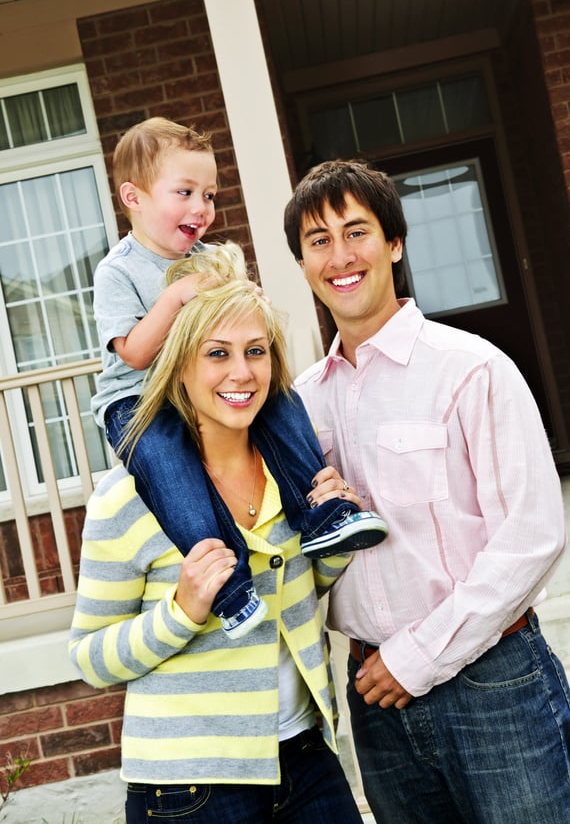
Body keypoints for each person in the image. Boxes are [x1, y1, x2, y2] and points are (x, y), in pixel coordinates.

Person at [283, 158, 570, 824]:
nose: (340, 256)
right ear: (302, 261)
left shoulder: (470, 369)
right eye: (318, 241)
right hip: (377, 703)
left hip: (493, 686)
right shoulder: (300, 403)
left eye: (356, 231)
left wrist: (415, 657)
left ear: (394, 243)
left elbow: (533, 537)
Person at [70, 243, 365, 824]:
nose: (242, 373)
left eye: (256, 352)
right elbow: (90, 658)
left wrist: (334, 534)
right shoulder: (127, 498)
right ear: (181, 363)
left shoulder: (292, 470)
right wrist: (180, 610)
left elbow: (303, 594)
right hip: (190, 789)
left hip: (307, 759)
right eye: (218, 354)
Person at [91, 117, 388, 639]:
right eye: (184, 192)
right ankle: (228, 589)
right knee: (174, 475)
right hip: (138, 403)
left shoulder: (212, 259)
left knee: (278, 397)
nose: (201, 208)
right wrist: (177, 296)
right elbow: (135, 354)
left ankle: (319, 514)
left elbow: (242, 326)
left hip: (203, 391)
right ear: (133, 197)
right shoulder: (119, 270)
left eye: (208, 194)